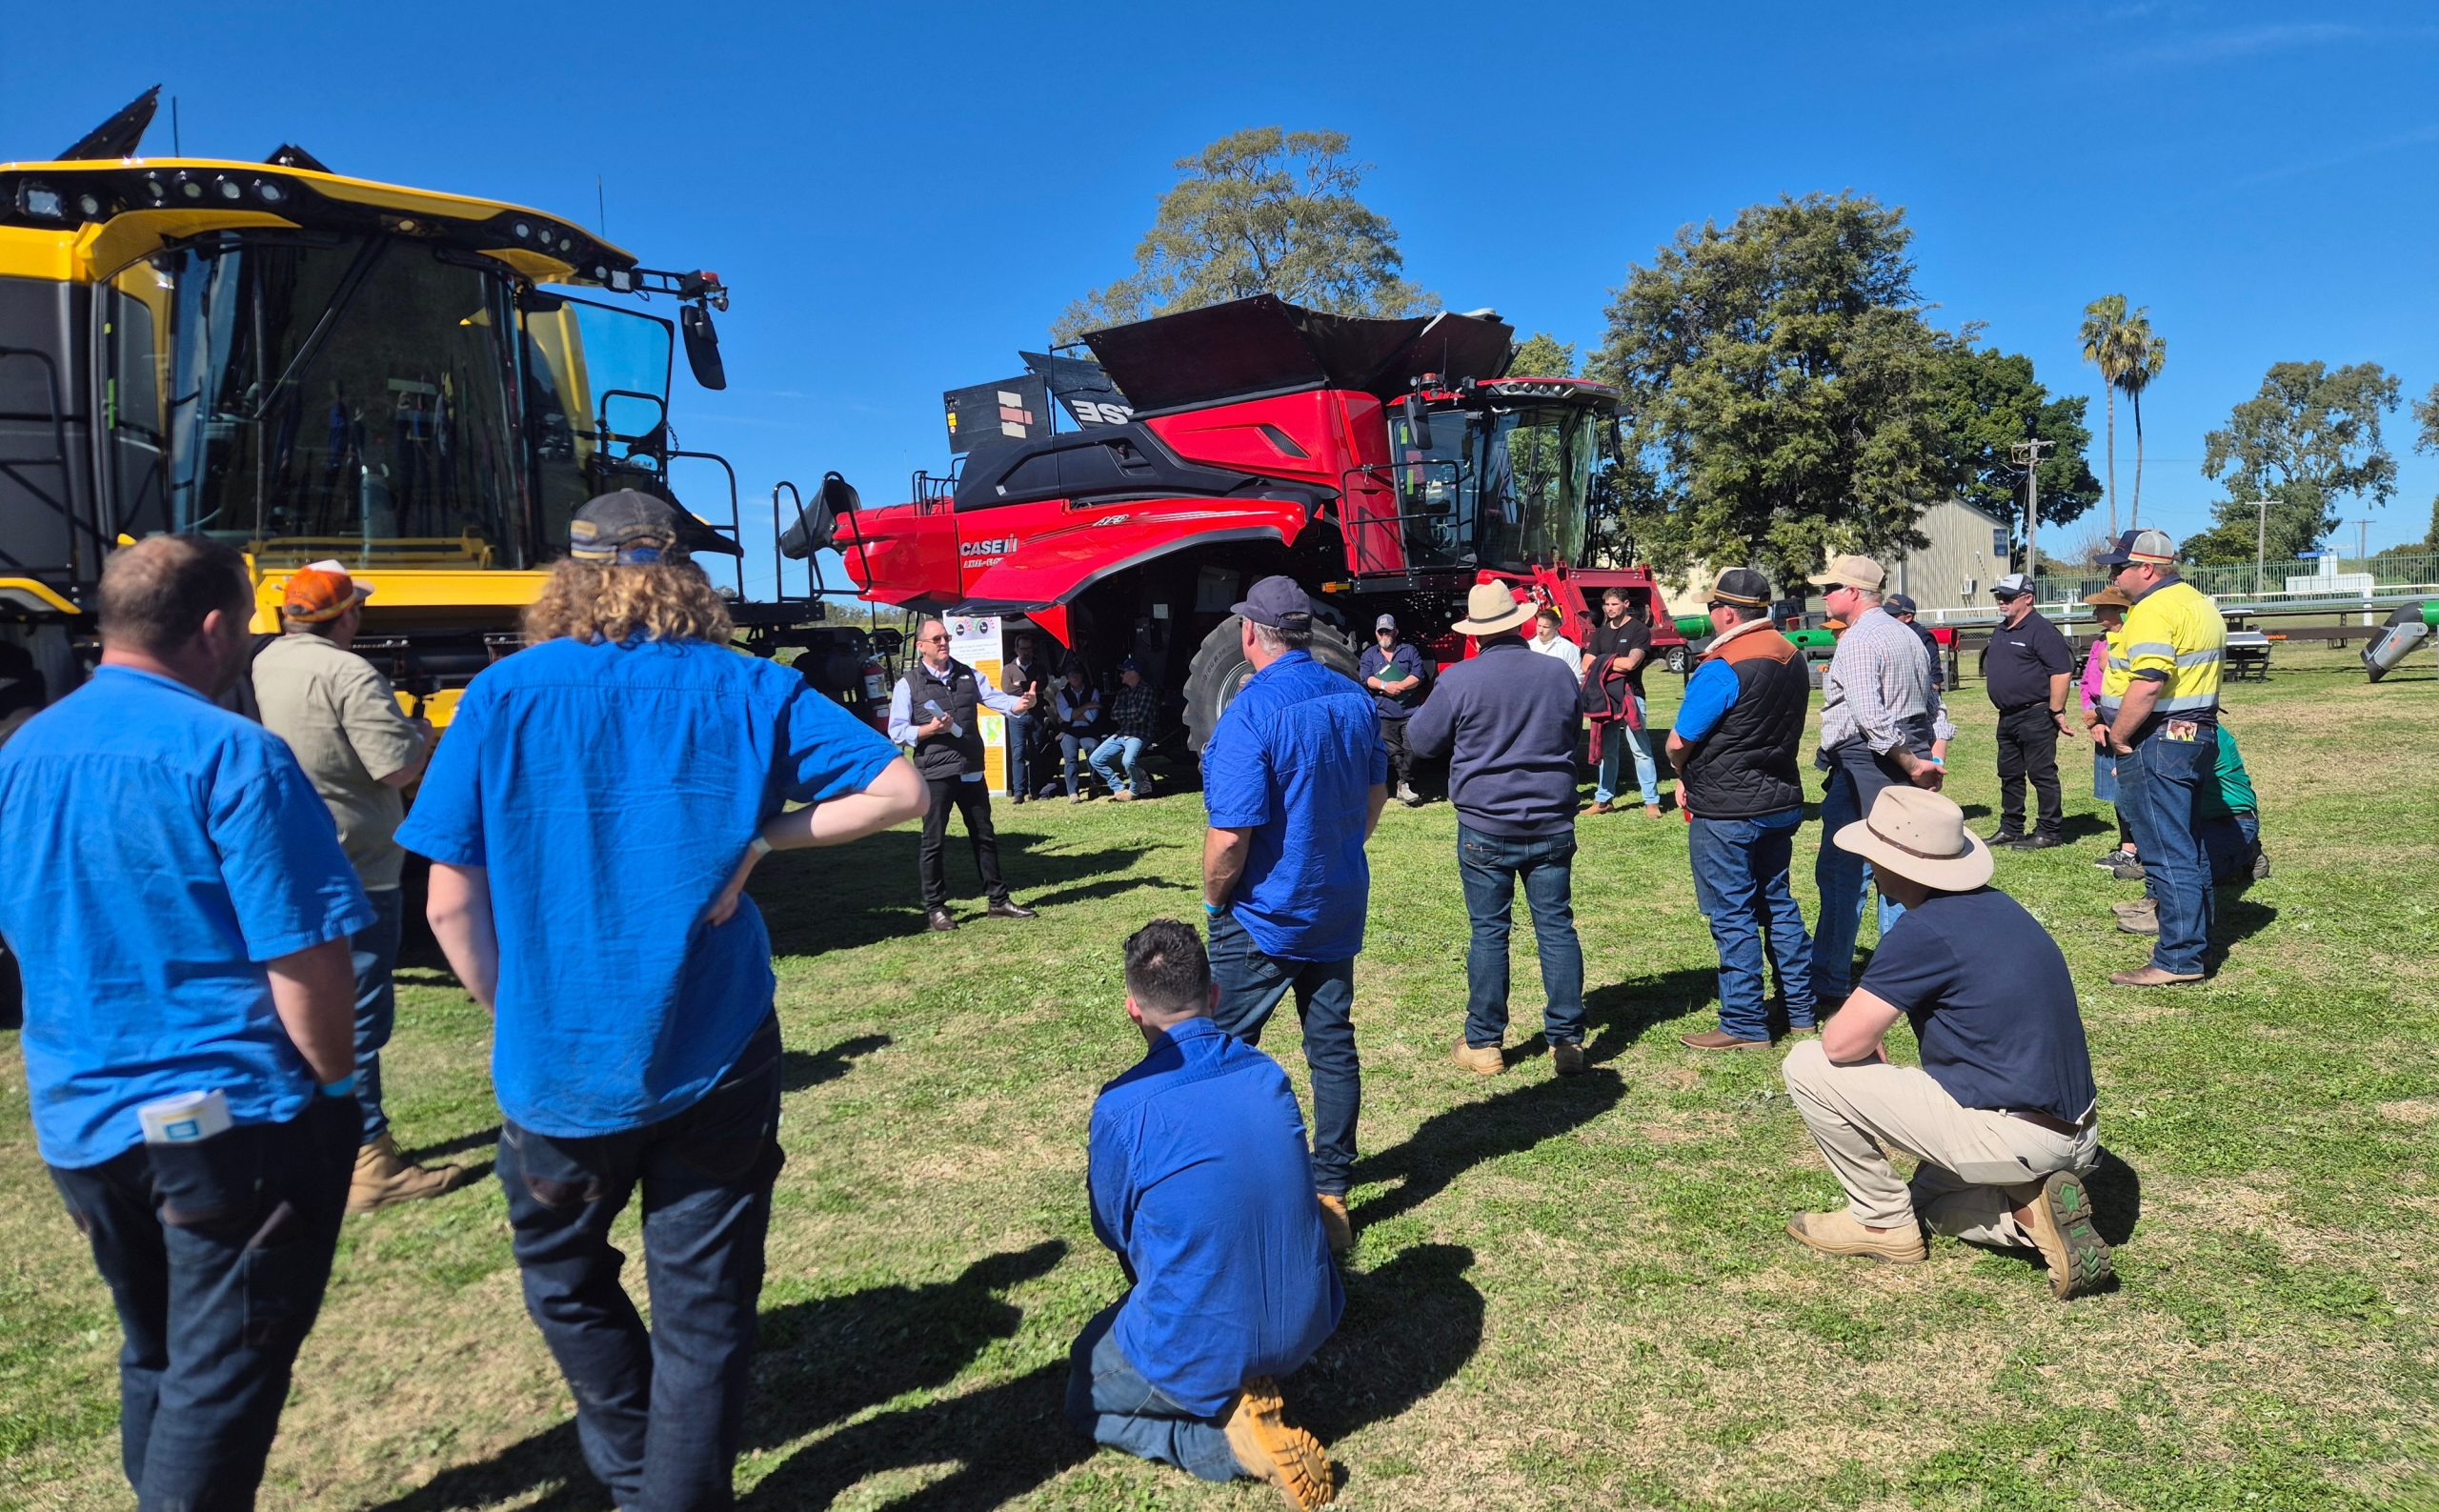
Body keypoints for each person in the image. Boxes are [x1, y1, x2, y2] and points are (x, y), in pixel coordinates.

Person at [400, 491, 928, 1510]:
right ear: (685, 575)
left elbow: (448, 901)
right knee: (704, 1302)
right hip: (718, 1046)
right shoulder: (747, 685)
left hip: (559, 1062)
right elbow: (900, 791)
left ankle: (638, 1473)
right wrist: (762, 839)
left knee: (563, 1278)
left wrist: (515, 1013)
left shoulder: (501, 696)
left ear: (570, 578)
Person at [0, 535, 372, 1505]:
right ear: (213, 628)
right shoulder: (236, 754)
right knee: (222, 1374)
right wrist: (336, 1087)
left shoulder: (25, 749)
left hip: (80, 1122)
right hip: (223, 1124)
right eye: (243, 625)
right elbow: (306, 955)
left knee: (160, 1347)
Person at [1781, 787, 2113, 1300]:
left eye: (1875, 856)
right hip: (2076, 1135)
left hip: (2009, 1135)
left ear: (1902, 867)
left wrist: (1856, 1041)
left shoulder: (1924, 931)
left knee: (1807, 1063)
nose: (1870, 867)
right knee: (1927, 1205)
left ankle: (1879, 1222)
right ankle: (2028, 1215)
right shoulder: (2001, 907)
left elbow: (1840, 1045)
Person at [1069, 919, 1341, 1510]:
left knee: (1084, 1385)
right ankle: (1243, 1379)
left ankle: (1234, 1448)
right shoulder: (1267, 1074)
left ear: (1133, 1010)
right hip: (1310, 1321)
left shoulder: (1121, 1107)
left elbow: (1110, 1229)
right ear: (1214, 995)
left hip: (1200, 1342)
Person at [252, 559, 470, 1215]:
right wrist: (421, 734)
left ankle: (308, 1147)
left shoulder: (265, 663)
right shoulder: (348, 673)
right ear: (346, 616)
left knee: (299, 1007)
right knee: (357, 1016)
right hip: (358, 867)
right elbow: (396, 767)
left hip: (287, 861)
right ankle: (367, 1159)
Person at [1201, 576, 1388, 1256]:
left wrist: (1214, 899)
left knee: (1218, 1047)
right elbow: (1376, 792)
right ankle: (1330, 1189)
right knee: (1331, 1045)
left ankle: (1225, 1181)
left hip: (1263, 912)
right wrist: (1336, 850)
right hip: (1335, 900)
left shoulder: (1250, 713)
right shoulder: (1354, 697)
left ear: (1250, 632)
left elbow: (1230, 837)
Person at [1407, 582, 1587, 1079]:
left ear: (1476, 634)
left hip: (1486, 823)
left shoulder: (1460, 679)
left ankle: (1485, 1043)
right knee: (1556, 927)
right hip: (1551, 819)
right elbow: (1571, 728)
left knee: (1489, 931)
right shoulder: (1557, 672)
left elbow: (1421, 741)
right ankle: (1567, 1040)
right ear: (1520, 623)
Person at [1664, 569, 1818, 1051]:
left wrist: (1681, 772)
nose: (1709, 616)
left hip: (1727, 808)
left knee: (1732, 913)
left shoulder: (1722, 665)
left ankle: (1745, 1022)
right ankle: (1801, 1011)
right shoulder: (1792, 655)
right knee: (1779, 904)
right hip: (1779, 797)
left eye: (1712, 607)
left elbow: (1679, 741)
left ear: (1728, 613)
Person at [1806, 554, 1956, 1007]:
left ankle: (1831, 981)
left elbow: (1871, 718)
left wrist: (1911, 763)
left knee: (1844, 874)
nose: (1824, 596)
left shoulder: (1858, 639)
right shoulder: (1908, 634)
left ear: (1853, 592)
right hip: (1903, 756)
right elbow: (1935, 707)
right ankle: (1902, 978)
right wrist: (1928, 758)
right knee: (1902, 872)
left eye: (1830, 588)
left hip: (1867, 762)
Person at [2095, 529, 2227, 987]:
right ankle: (2196, 942)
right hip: (2195, 734)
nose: (2113, 577)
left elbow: (2149, 680)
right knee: (2188, 845)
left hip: (2158, 738)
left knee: (2165, 850)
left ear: (2147, 568)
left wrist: (2119, 735)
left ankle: (2178, 958)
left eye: (2119, 567)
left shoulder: (2153, 609)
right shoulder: (2198, 603)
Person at [889, 617, 1042, 930]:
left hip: (971, 768)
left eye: (946, 637)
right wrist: (929, 730)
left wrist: (1022, 703)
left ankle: (998, 901)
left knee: (984, 836)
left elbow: (996, 699)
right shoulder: (908, 684)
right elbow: (897, 731)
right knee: (934, 841)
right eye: (937, 639)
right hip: (936, 773)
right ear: (921, 646)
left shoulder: (967, 674)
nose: (944, 642)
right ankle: (935, 908)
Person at [2115, 721, 2268, 935]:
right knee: (2165, 830)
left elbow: (2169, 778)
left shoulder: (2198, 733)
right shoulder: (2176, 729)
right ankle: (2154, 899)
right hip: (2199, 822)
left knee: (2188, 867)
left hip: (2232, 822)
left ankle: (2245, 854)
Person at [1977, 573, 2078, 850]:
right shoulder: (2002, 629)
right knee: (2009, 773)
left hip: (2036, 714)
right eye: (1999, 596)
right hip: (2007, 716)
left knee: (2041, 774)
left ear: (2028, 598)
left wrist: (2056, 710)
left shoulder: (2042, 630)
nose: (2002, 601)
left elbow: (2061, 672)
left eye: (2008, 597)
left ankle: (2049, 831)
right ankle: (2011, 828)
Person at [1581, 588, 1663, 817]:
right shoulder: (1601, 632)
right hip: (1605, 699)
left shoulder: (1639, 630)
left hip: (1632, 695)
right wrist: (1611, 661)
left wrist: (1602, 661)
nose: (1610, 609)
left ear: (1626, 604)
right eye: (1607, 604)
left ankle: (1652, 802)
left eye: (1614, 604)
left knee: (1641, 750)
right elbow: (1586, 664)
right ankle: (1603, 800)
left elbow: (1631, 664)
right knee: (1608, 751)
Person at [2079, 588, 2142, 878]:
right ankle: (2127, 847)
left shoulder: (2133, 642)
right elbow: (2086, 685)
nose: (2095, 614)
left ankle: (2141, 849)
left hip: (2128, 725)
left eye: (2101, 608)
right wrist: (2094, 720)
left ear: (2120, 611)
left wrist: (2108, 717)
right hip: (2103, 724)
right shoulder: (2099, 644)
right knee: (2119, 792)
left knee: (2133, 789)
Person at [1358, 613, 1428, 807]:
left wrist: (1400, 687)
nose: (1384, 634)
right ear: (1376, 633)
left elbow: (1418, 675)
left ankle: (1404, 782)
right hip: (1384, 712)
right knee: (1394, 752)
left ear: (1395, 631)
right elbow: (1366, 678)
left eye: (1387, 631)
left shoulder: (1409, 650)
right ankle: (1405, 785)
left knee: (1413, 749)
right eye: (1381, 631)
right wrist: (1384, 686)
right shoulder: (1370, 654)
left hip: (1410, 710)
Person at [1090, 656, 1159, 801]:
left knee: (1128, 761)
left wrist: (1125, 713)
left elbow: (1140, 717)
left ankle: (1134, 791)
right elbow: (1114, 714)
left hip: (1139, 734)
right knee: (1095, 759)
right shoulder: (1123, 693)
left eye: (1124, 672)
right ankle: (1118, 788)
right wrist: (1131, 711)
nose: (1121, 675)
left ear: (1134, 672)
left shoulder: (1147, 690)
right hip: (1122, 733)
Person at [1001, 631, 1051, 804]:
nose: (1026, 652)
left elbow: (1042, 685)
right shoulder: (1008, 669)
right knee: (1018, 753)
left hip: (1036, 715)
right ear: (1016, 650)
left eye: (1029, 649)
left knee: (1036, 751)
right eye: (1023, 649)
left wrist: (1020, 686)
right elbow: (1007, 689)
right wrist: (1028, 688)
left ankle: (1034, 790)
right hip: (1017, 717)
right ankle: (1018, 792)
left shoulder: (1039, 667)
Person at [1052, 662, 1103, 801]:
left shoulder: (1093, 691)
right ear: (1067, 678)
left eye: (1077, 674)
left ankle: (1094, 783)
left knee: (1093, 748)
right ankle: (1072, 792)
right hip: (1069, 731)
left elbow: (1092, 716)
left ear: (1082, 676)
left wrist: (1072, 714)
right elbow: (1065, 716)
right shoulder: (1061, 694)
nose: (1074, 677)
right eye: (1071, 675)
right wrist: (1087, 706)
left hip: (1088, 729)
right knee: (1070, 757)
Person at [1885, 594, 1945, 695]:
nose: (1887, 619)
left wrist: (1932, 693)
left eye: (1892, 616)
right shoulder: (1887, 633)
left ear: (1908, 617)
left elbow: (1934, 671)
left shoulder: (1922, 636)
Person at [1528, 605, 1582, 678]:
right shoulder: (1528, 646)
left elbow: (1577, 676)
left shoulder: (1569, 648)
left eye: (1545, 627)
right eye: (1539, 625)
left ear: (1556, 627)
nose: (1540, 630)